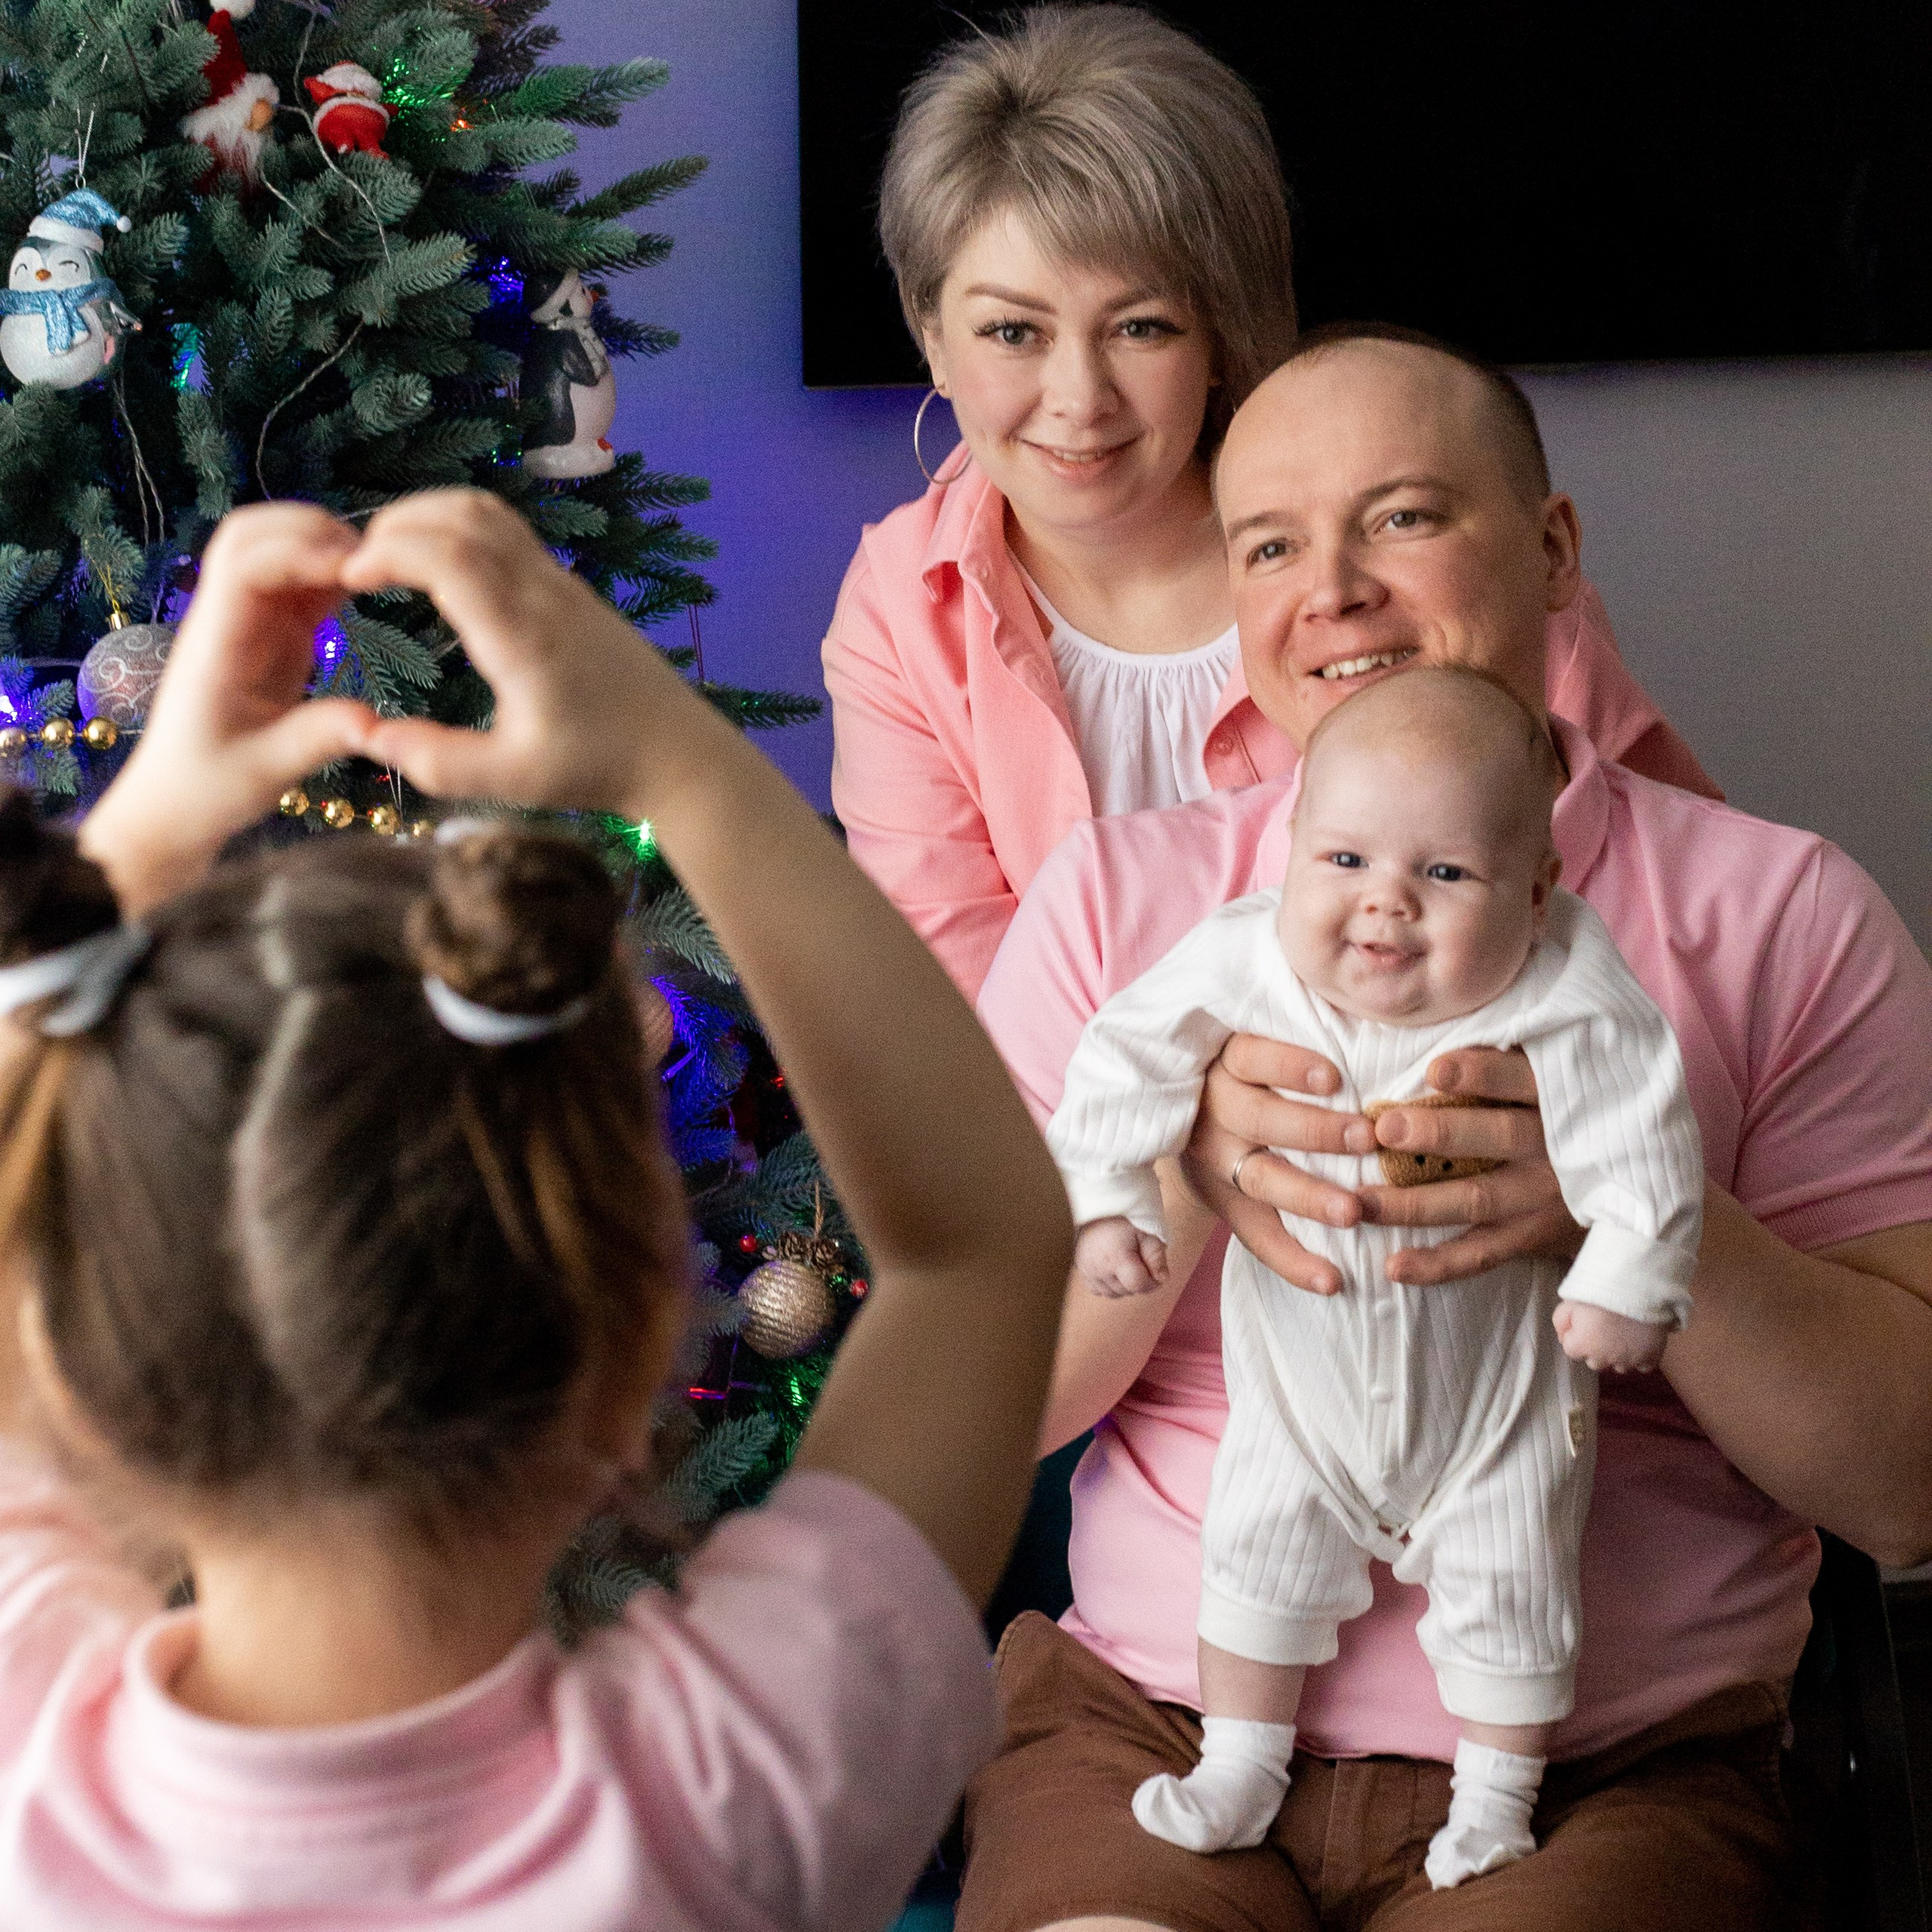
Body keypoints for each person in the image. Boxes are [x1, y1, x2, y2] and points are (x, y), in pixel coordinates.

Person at [964, 327, 1932, 1932]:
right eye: (1268, 542)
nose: (1327, 587)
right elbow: (987, 1410)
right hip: (1157, 1727)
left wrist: (1637, 1209)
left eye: (1401, 516)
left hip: (1603, 1780)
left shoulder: (1779, 914)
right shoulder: (1125, 909)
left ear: (1551, 551)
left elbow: (1904, 1486)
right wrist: (1183, 1175)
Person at [0, 491, 1074, 1927]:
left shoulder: (22, 1768)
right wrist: (675, 761)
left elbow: (982, 1249)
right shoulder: (730, 1797)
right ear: (642, 1348)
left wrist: (151, 812)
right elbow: (980, 1249)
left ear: (70, 1373)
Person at [820, 3, 1718, 1008]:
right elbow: (958, 1023)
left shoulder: (1424, 568)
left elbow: (1676, 902)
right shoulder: (904, 602)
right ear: (933, 337)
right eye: (1012, 333)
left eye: (1142, 326)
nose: (1079, 399)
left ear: (1222, 329)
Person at [1048, 669, 1702, 1885]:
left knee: (1517, 1579)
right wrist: (1112, 1197)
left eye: (1445, 875)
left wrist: (1633, 1268)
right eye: (1343, 861)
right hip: (1303, 1396)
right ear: (1288, 848)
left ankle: (1498, 1796)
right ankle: (1240, 1761)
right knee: (1255, 1550)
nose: (1385, 908)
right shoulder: (1244, 957)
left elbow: (1639, 1117)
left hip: (1493, 1411)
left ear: (1539, 890)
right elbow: (1124, 1055)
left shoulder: (1566, 975)